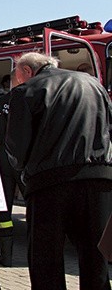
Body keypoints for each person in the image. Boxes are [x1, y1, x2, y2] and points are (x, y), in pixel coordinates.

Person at [6, 52, 112, 289]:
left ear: (26, 71)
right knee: (96, 255)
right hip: (99, 179)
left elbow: (16, 146)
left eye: (17, 75)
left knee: (46, 259)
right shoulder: (95, 85)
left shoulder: (26, 91)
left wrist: (23, 175)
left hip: (49, 182)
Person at [0, 69, 24, 267]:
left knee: (3, 208)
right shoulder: (30, 98)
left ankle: (6, 255)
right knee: (36, 205)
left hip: (3, 157)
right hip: (24, 158)